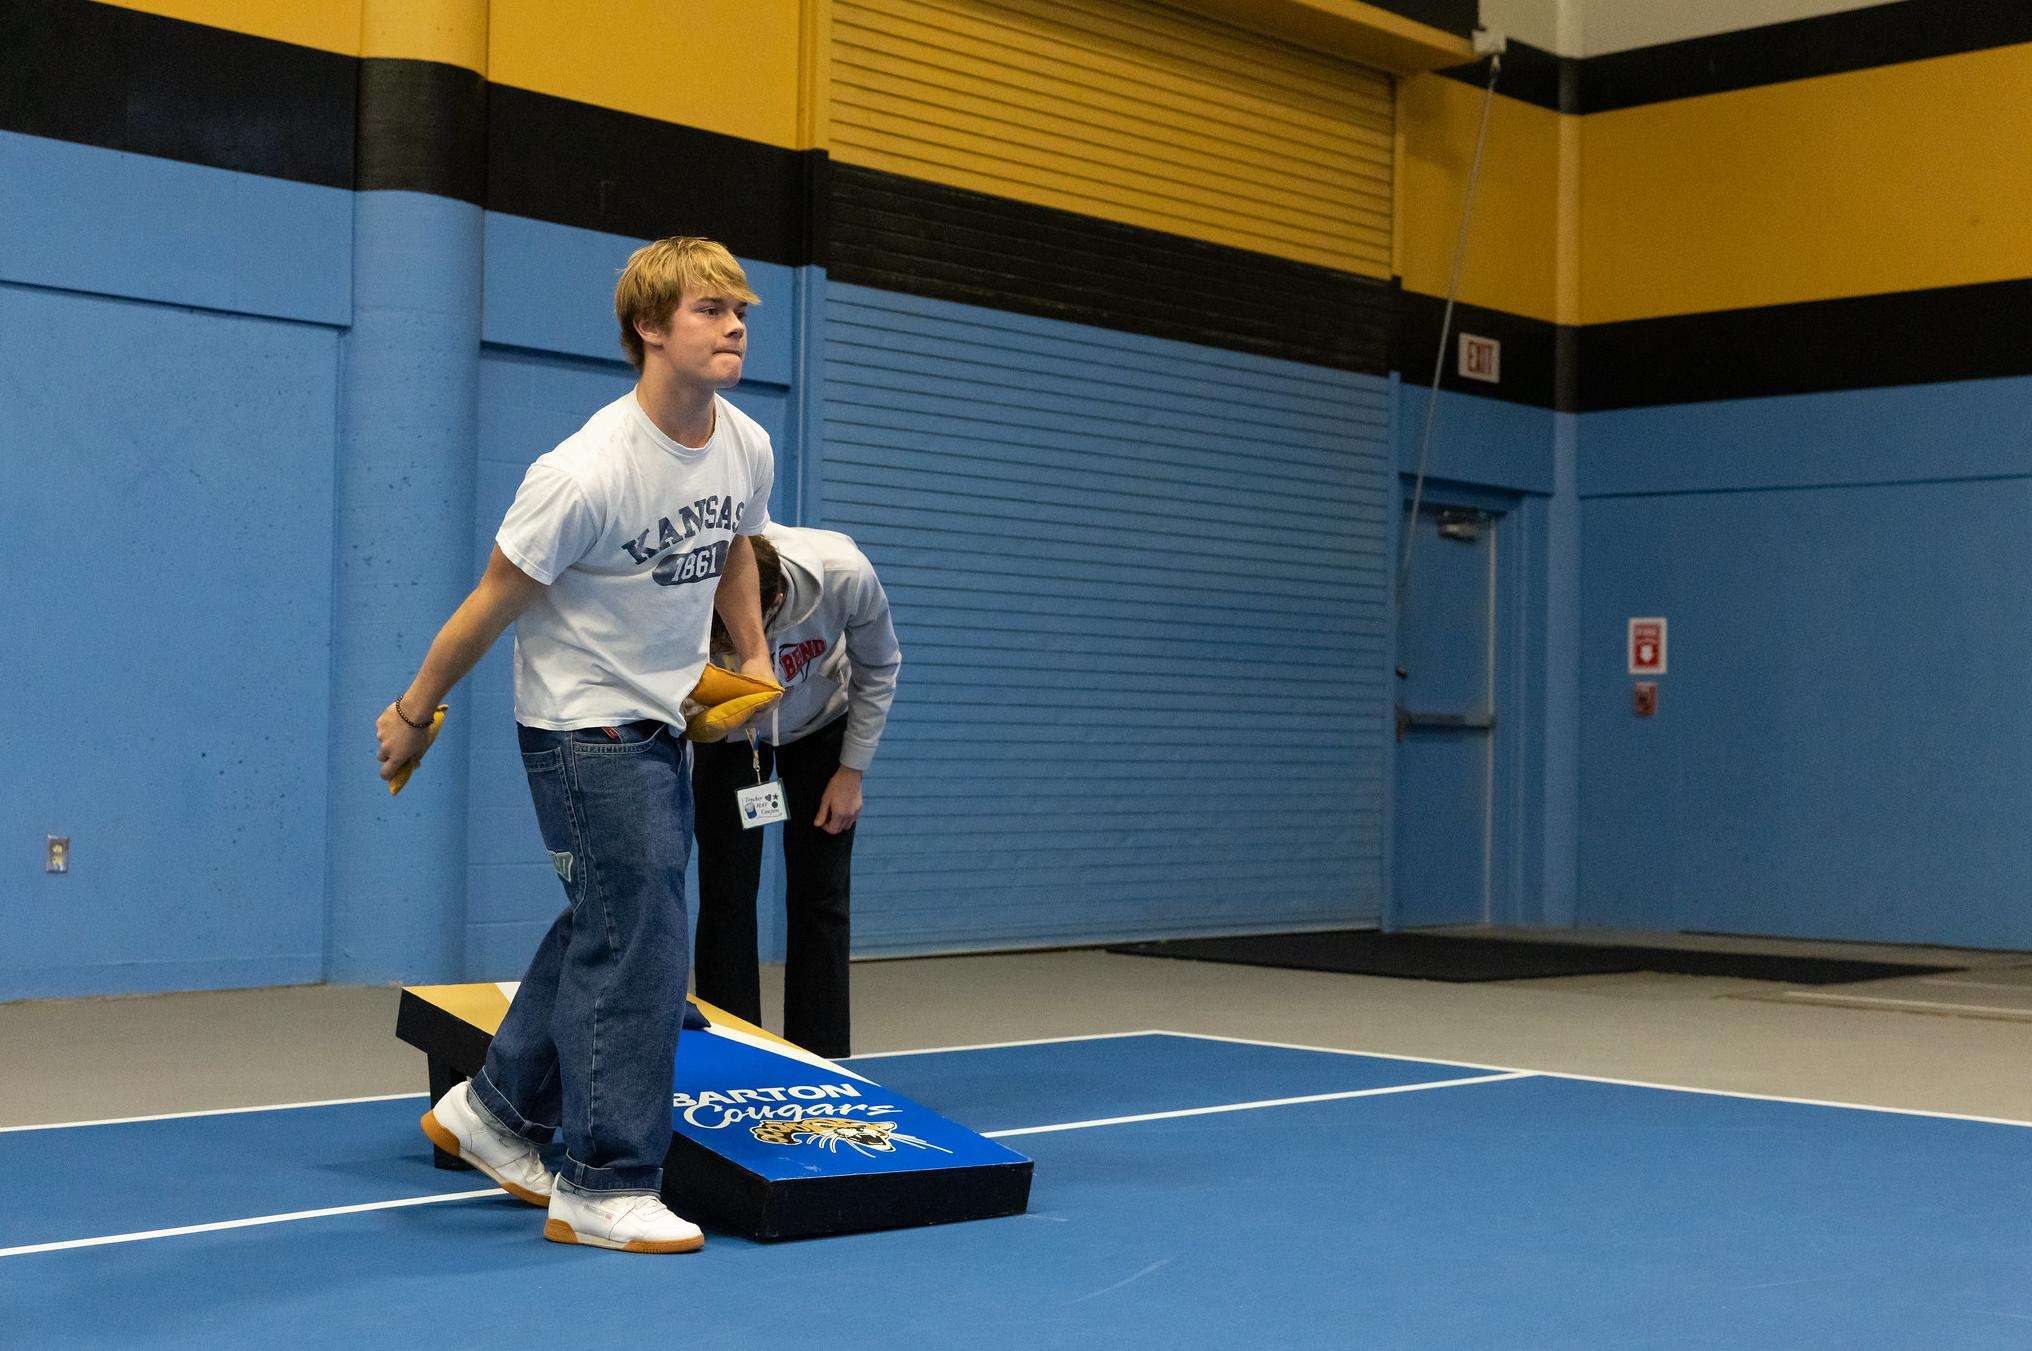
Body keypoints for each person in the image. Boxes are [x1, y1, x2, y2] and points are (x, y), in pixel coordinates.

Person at [374, 237, 778, 1255]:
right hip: (581, 722)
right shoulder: (582, 472)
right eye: (709, 309)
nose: (734, 326)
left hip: (662, 714)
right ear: (649, 327)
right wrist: (415, 711)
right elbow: (491, 600)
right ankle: (602, 1180)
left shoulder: (744, 442)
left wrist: (754, 653)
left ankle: (495, 1111)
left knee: (615, 910)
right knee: (644, 938)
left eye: (740, 309)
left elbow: (735, 541)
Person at [692, 524, 900, 1059]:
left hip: (821, 727)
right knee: (726, 895)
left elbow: (879, 666)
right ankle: (734, 1053)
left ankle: (823, 1057)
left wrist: (852, 771)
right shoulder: (696, 586)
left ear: (776, 601)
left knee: (821, 895)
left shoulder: (846, 576)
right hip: (734, 736)